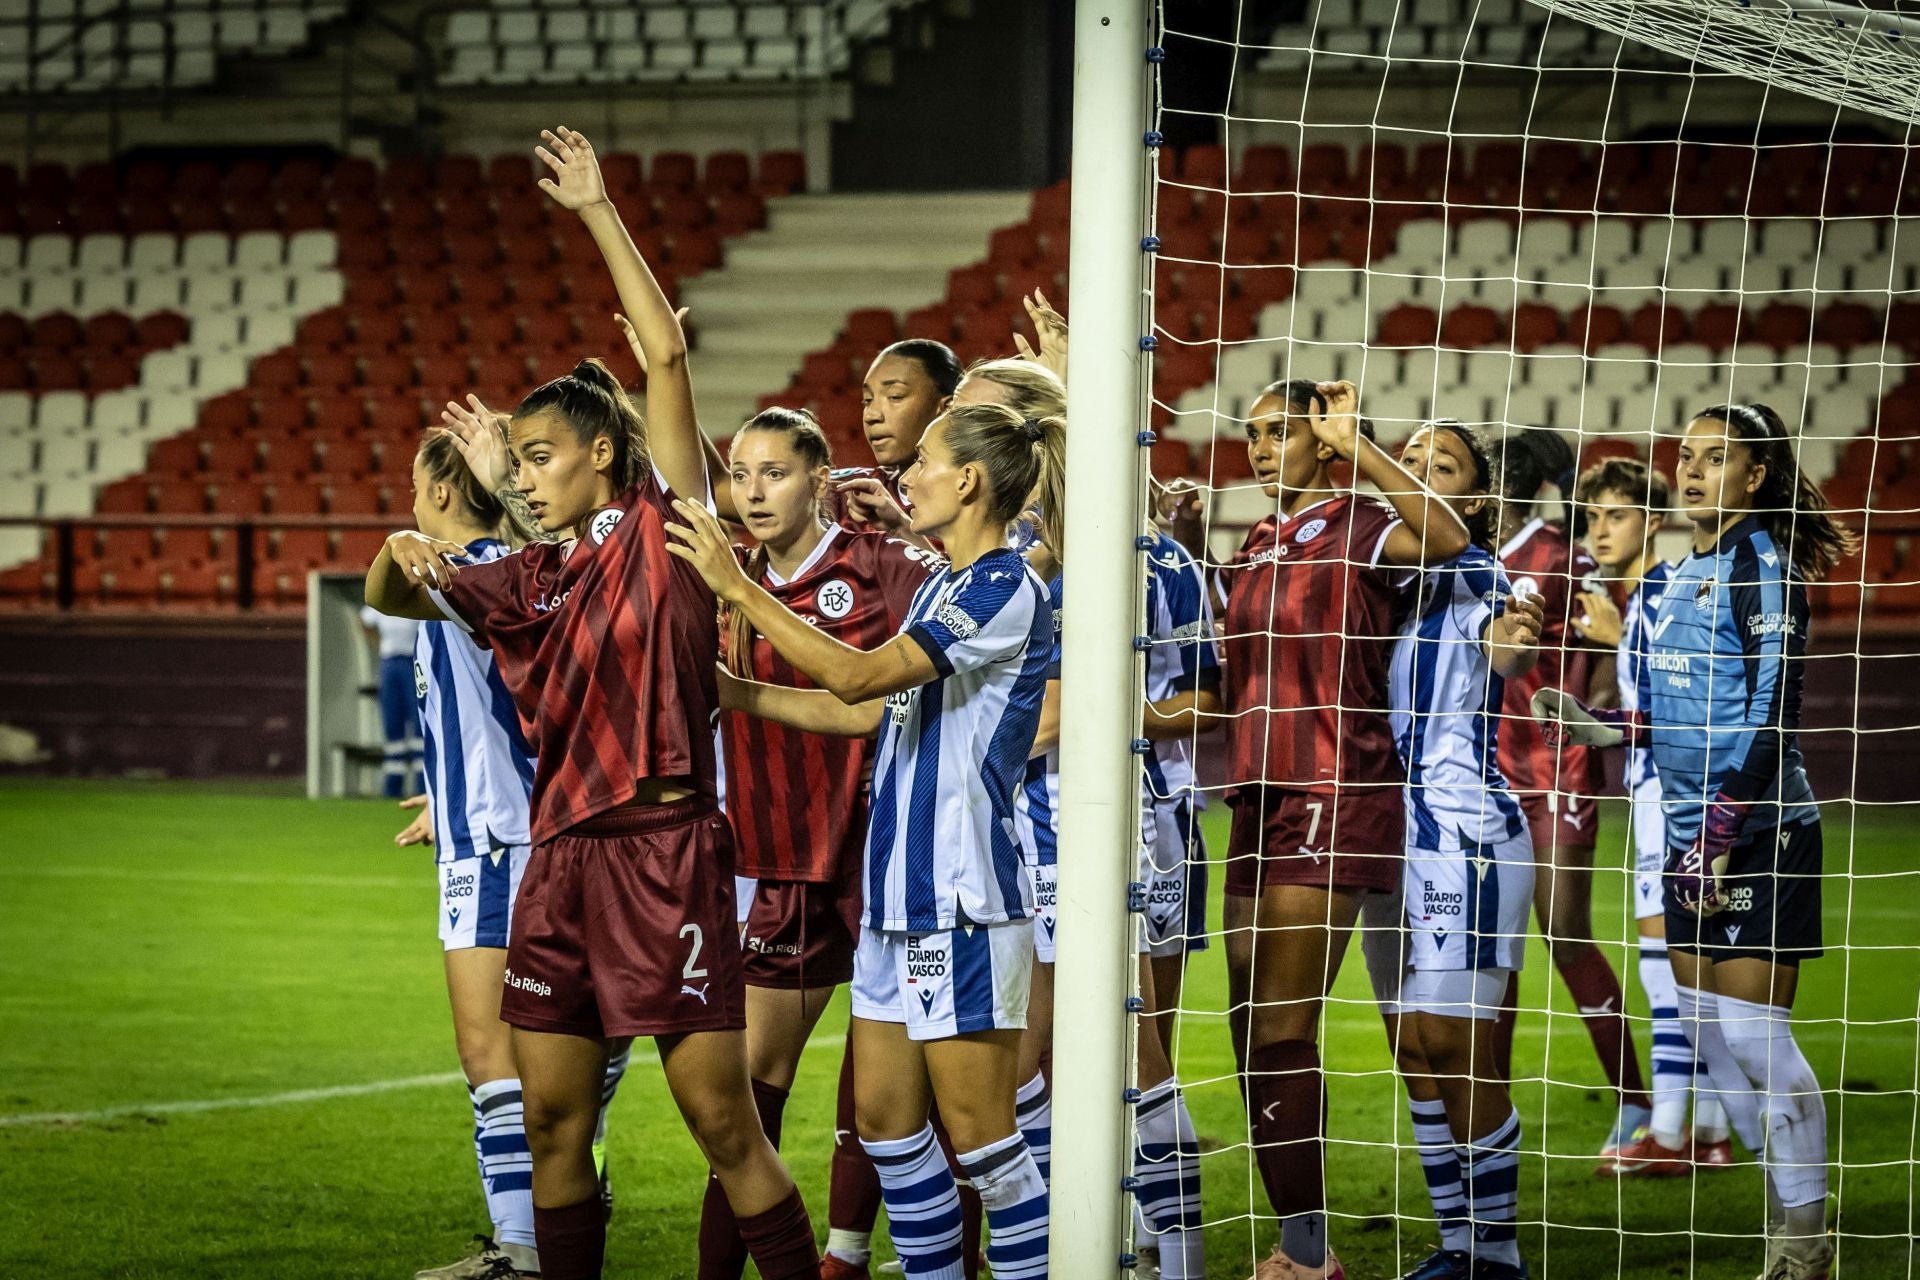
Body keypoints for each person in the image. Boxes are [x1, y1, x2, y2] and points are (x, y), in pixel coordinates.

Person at [364, 127, 818, 1280]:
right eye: (513, 457)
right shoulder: (531, 573)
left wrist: (598, 212)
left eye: (542, 452)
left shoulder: (664, 533)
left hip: (665, 846)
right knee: (553, 1122)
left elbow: (664, 359)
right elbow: (400, 591)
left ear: (606, 453)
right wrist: (400, 553)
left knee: (723, 1124)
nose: (523, 472)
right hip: (559, 861)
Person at [665, 401, 1065, 1280]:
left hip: (960, 894)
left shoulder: (1003, 586)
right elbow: (867, 711)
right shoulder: (940, 587)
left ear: (967, 480)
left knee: (984, 1143)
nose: (904, 475)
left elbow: (857, 671)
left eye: (922, 461)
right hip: (893, 898)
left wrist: (737, 592)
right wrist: (735, 692)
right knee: (887, 1129)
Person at [1536, 403, 1853, 1280]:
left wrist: (1719, 829)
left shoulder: (1768, 572)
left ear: (1756, 477)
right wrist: (1606, 730)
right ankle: (1759, 1184)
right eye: (1687, 455)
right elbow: (1675, 712)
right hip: (1685, 843)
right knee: (1707, 1029)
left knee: (1754, 1041)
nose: (1694, 470)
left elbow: (1772, 716)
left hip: (1757, 837)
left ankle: (1804, 1244)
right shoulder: (1674, 578)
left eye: (1718, 459)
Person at [1218, 379, 1470, 1280]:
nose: (1259, 448)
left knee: (1284, 1025)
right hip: (1254, 793)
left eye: (1282, 431)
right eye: (1252, 433)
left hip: (1334, 788)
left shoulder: (1363, 522)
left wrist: (1359, 443)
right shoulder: (1254, 541)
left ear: (1321, 442)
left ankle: (1306, 1255)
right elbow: (1232, 677)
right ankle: (1300, 1244)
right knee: (1247, 1025)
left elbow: (1449, 539)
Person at [696, 406, 937, 1280]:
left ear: (821, 478)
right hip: (786, 865)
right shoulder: (719, 581)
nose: (753, 492)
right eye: (741, 474)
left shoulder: (881, 565)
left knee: (925, 1101)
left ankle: (870, 1255)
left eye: (776, 472)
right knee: (743, 1103)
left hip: (888, 861)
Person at [392, 425, 634, 1280]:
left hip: (503, 842)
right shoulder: (490, 575)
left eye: (416, 486)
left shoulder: (467, 577)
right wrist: (446, 793)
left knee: (493, 1056)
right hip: (493, 824)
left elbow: (551, 712)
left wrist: (402, 545)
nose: (410, 501)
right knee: (559, 1058)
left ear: (445, 494)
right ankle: (559, 1206)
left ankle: (525, 1248)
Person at [1384, 422, 1546, 1280]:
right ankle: (1460, 1247)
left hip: (1468, 840)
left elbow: (1504, 639)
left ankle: (1496, 1255)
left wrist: (1516, 641)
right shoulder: (1389, 583)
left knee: (1453, 1042)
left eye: (1441, 466)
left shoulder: (1473, 572)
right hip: (1414, 842)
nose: (1417, 474)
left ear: (1477, 500)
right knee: (1416, 1046)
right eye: (1408, 461)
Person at [1571, 457, 1733, 1176]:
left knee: (1667, 966)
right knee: (1680, 969)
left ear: (1654, 522)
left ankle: (1670, 1134)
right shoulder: (1637, 597)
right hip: (1654, 793)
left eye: (1617, 515)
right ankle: (1712, 1129)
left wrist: (1617, 643)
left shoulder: (1665, 595)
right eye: (1593, 516)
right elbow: (1643, 715)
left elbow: (1682, 705)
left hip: (1674, 798)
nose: (1600, 529)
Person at [1492, 427, 1650, 1159]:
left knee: (1564, 930)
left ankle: (1636, 1101)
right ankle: (1485, 1108)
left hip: (1554, 771)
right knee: (1495, 944)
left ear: (1505, 488)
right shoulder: (1473, 557)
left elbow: (1609, 649)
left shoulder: (1563, 556)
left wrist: (1593, 712)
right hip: (1487, 776)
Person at [834, 339, 963, 535]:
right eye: (867, 400)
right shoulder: (846, 495)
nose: (871, 415)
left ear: (945, 408)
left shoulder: (977, 500)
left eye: (895, 396)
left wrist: (901, 528)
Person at [359, 606, 423, 797]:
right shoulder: (383, 602)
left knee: (418, 721)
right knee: (392, 722)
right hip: (389, 662)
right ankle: (392, 788)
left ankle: (423, 787)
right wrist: (378, 643)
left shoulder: (415, 602)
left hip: (412, 661)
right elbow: (364, 619)